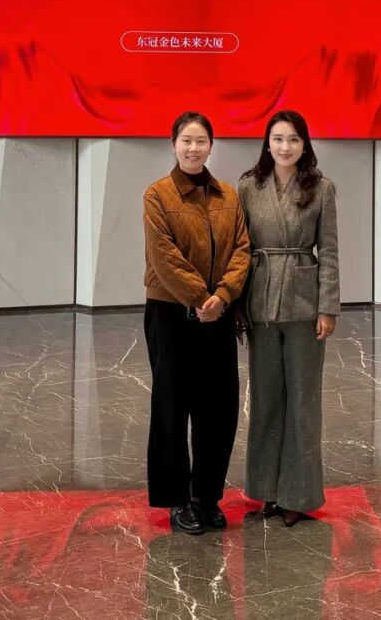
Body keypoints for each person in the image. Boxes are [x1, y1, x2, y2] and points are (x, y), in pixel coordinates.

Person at [143, 111, 251, 535]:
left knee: (218, 410)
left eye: (200, 140)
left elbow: (242, 249)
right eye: (186, 140)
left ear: (211, 146)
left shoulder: (228, 196)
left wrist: (222, 296)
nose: (193, 148)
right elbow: (163, 256)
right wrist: (200, 298)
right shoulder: (157, 195)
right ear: (173, 144)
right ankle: (176, 499)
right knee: (172, 408)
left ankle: (207, 497)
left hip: (218, 315)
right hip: (171, 314)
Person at [238, 110, 340, 526]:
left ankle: (298, 494)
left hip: (303, 304)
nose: (285, 147)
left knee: (302, 402)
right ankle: (266, 491)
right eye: (278, 138)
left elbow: (329, 251)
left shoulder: (321, 188)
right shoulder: (249, 186)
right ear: (267, 142)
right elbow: (240, 248)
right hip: (260, 301)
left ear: (304, 144)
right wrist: (237, 304)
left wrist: (327, 307)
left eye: (294, 139)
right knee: (265, 400)